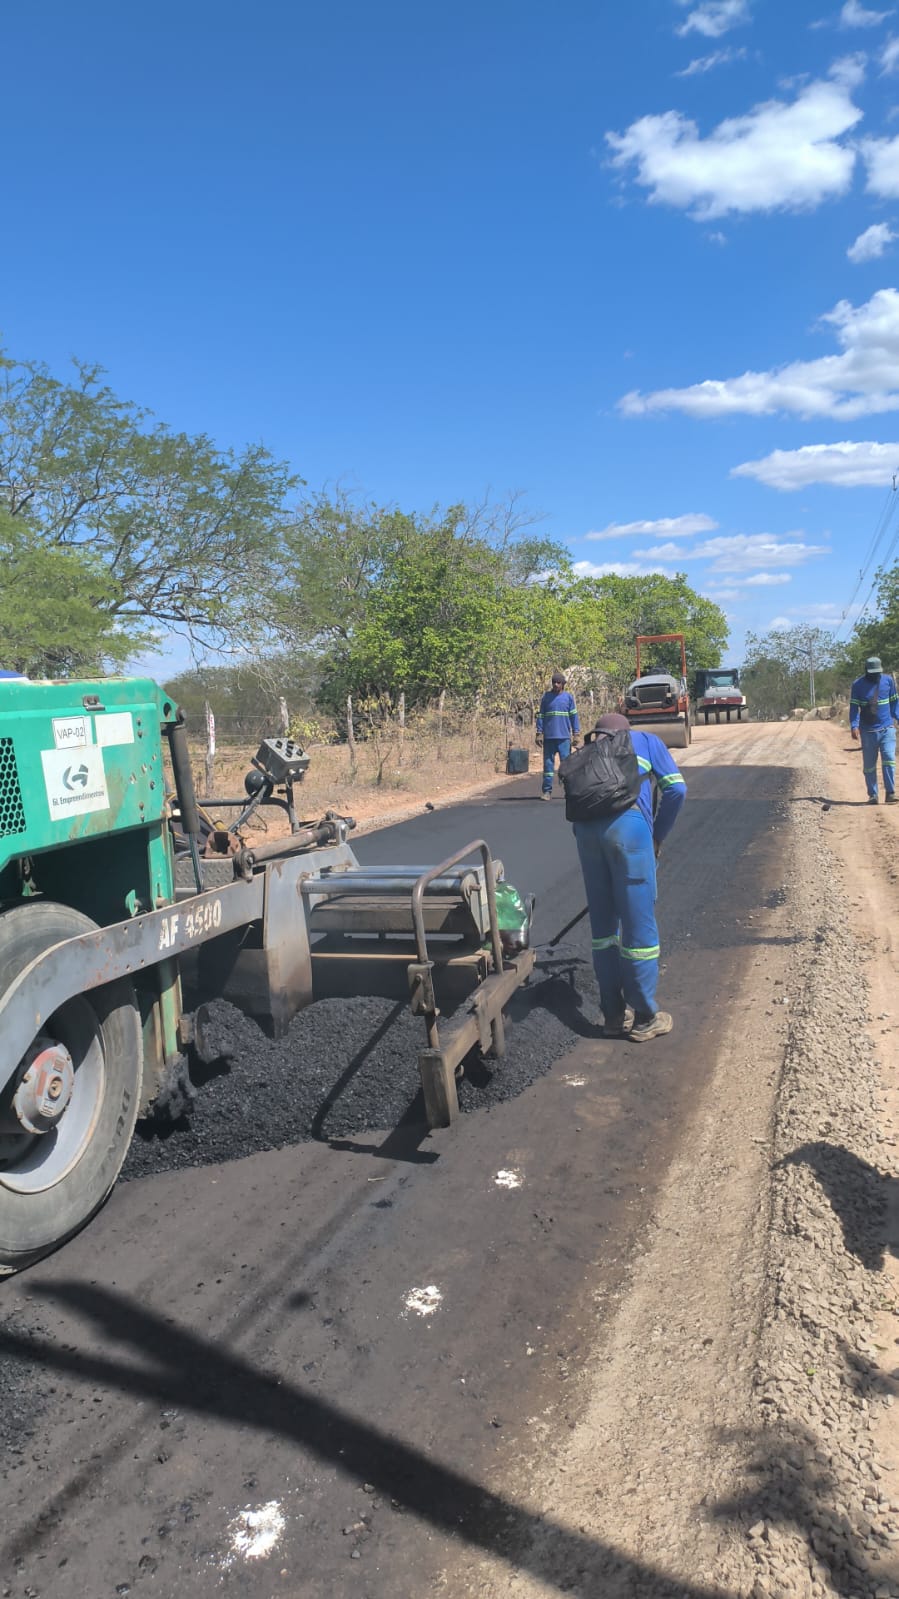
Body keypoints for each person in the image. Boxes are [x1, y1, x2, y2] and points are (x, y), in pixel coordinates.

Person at [572, 712, 686, 1042]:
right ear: (626, 732)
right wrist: (657, 836)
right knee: (638, 927)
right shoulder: (646, 741)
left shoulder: (586, 752)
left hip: (586, 836)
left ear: (598, 733)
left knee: (603, 932)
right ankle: (645, 1017)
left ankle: (612, 1015)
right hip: (630, 833)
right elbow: (677, 790)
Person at [849, 655, 899, 804]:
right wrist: (854, 725)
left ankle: (890, 793)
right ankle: (873, 795)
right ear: (866, 671)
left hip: (887, 729)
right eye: (872, 673)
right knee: (869, 766)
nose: (875, 675)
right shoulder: (857, 685)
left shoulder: (888, 681)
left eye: (877, 672)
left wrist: (897, 717)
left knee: (889, 759)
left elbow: (894, 703)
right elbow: (854, 707)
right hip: (867, 732)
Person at [535, 671, 580, 799]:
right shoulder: (546, 697)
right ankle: (547, 792)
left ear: (563, 684)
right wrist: (539, 733)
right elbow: (541, 716)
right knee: (548, 767)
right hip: (549, 738)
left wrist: (576, 733)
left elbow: (574, 716)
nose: (556, 684)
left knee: (566, 766)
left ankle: (569, 791)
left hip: (564, 738)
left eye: (558, 682)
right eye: (554, 682)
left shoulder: (568, 698)